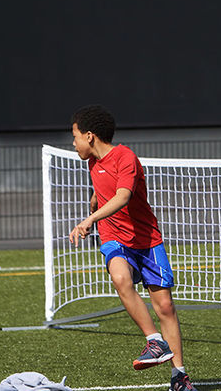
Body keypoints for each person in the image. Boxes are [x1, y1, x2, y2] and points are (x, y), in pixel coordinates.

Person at [67, 105, 197, 391]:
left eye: (74, 136)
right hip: (114, 237)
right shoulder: (92, 162)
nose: (73, 143)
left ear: (90, 136)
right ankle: (154, 340)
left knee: (164, 306)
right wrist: (95, 202)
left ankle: (180, 377)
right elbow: (104, 188)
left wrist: (89, 218)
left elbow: (123, 196)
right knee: (120, 278)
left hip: (146, 240)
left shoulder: (126, 157)